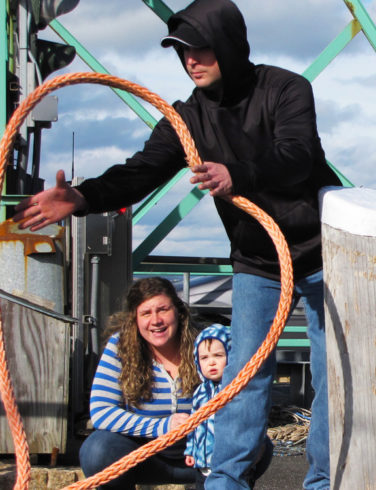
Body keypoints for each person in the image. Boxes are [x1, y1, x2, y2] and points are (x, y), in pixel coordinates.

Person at [14, 0, 340, 488]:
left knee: (334, 376)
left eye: (201, 48)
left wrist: (240, 175)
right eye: (182, 51)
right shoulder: (186, 118)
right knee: (243, 378)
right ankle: (224, 482)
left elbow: (296, 156)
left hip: (321, 254)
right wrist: (82, 197)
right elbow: (140, 171)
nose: (190, 59)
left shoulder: (286, 88)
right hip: (258, 259)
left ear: (229, 46)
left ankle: (322, 483)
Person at [78, 277, 199, 488]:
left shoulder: (205, 344)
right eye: (146, 313)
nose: (156, 320)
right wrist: (163, 426)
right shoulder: (120, 347)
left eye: (163, 310)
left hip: (199, 455)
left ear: (178, 312)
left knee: (256, 446)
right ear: (135, 319)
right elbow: (101, 412)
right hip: (143, 456)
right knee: (98, 449)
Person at [185, 324, 246, 489]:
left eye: (218, 355)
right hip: (202, 465)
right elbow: (194, 424)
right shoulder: (200, 392)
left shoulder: (234, 390)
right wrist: (191, 450)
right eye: (204, 358)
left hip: (228, 465)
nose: (211, 362)